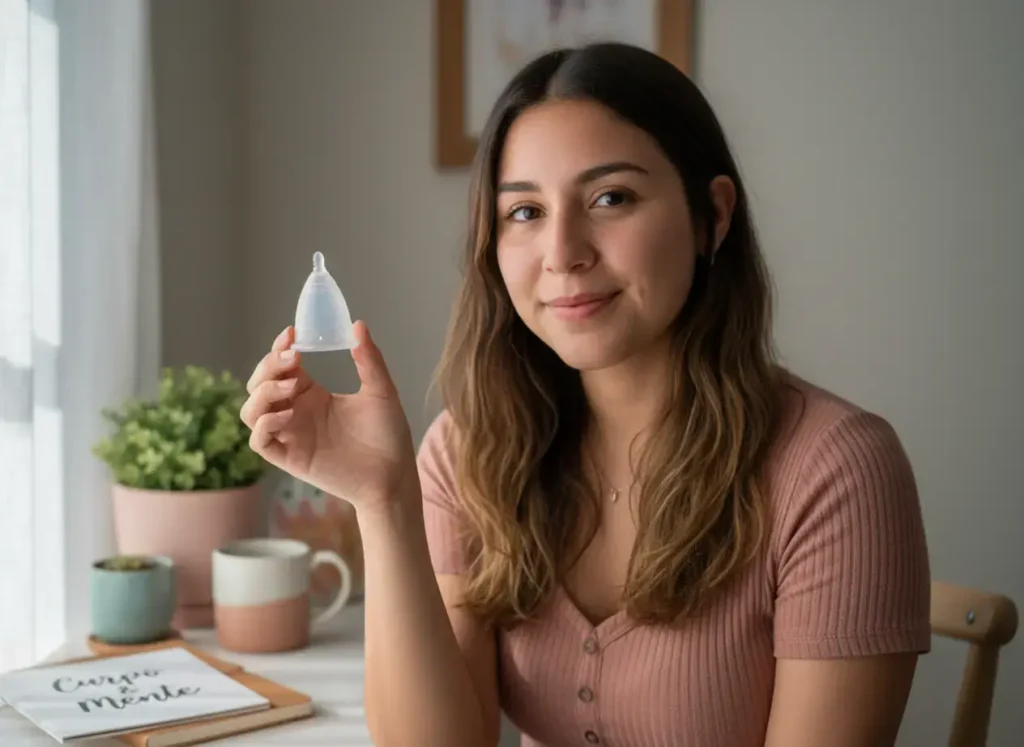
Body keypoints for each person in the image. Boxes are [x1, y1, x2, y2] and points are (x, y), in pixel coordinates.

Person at [240, 42, 931, 747]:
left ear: (711, 217)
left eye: (610, 198)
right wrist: (382, 501)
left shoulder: (836, 470)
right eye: (525, 212)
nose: (562, 251)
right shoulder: (468, 450)